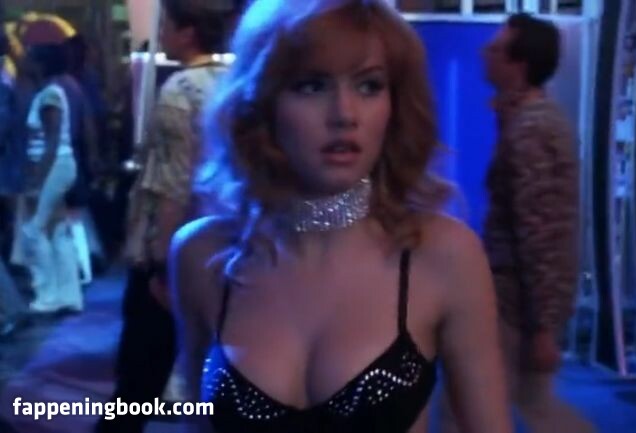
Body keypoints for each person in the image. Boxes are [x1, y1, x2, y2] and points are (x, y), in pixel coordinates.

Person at [171, 1, 513, 432]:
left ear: (395, 105)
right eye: (312, 86)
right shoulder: (201, 254)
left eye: (369, 86)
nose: (345, 115)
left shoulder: (444, 255)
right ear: (261, 102)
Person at [443, 14, 592, 433]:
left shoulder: (532, 129)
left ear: (518, 64)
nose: (484, 53)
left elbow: (541, 233)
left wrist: (543, 326)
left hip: (514, 302)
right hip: (518, 298)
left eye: (495, 49)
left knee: (466, 409)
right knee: (531, 402)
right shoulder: (526, 119)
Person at [96, 1, 240, 432]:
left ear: (188, 33)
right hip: (227, 242)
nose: (161, 37)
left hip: (173, 252)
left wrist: (160, 265)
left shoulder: (180, 89)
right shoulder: (233, 83)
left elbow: (172, 187)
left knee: (139, 373)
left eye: (168, 28)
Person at [13, 43, 83, 314]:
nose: (24, 62)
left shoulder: (49, 95)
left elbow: (52, 141)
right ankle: (68, 294)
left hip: (54, 166)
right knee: (56, 230)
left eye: (30, 58)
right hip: (58, 165)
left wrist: (37, 180)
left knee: (33, 230)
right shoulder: (48, 92)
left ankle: (48, 294)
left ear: (41, 64)